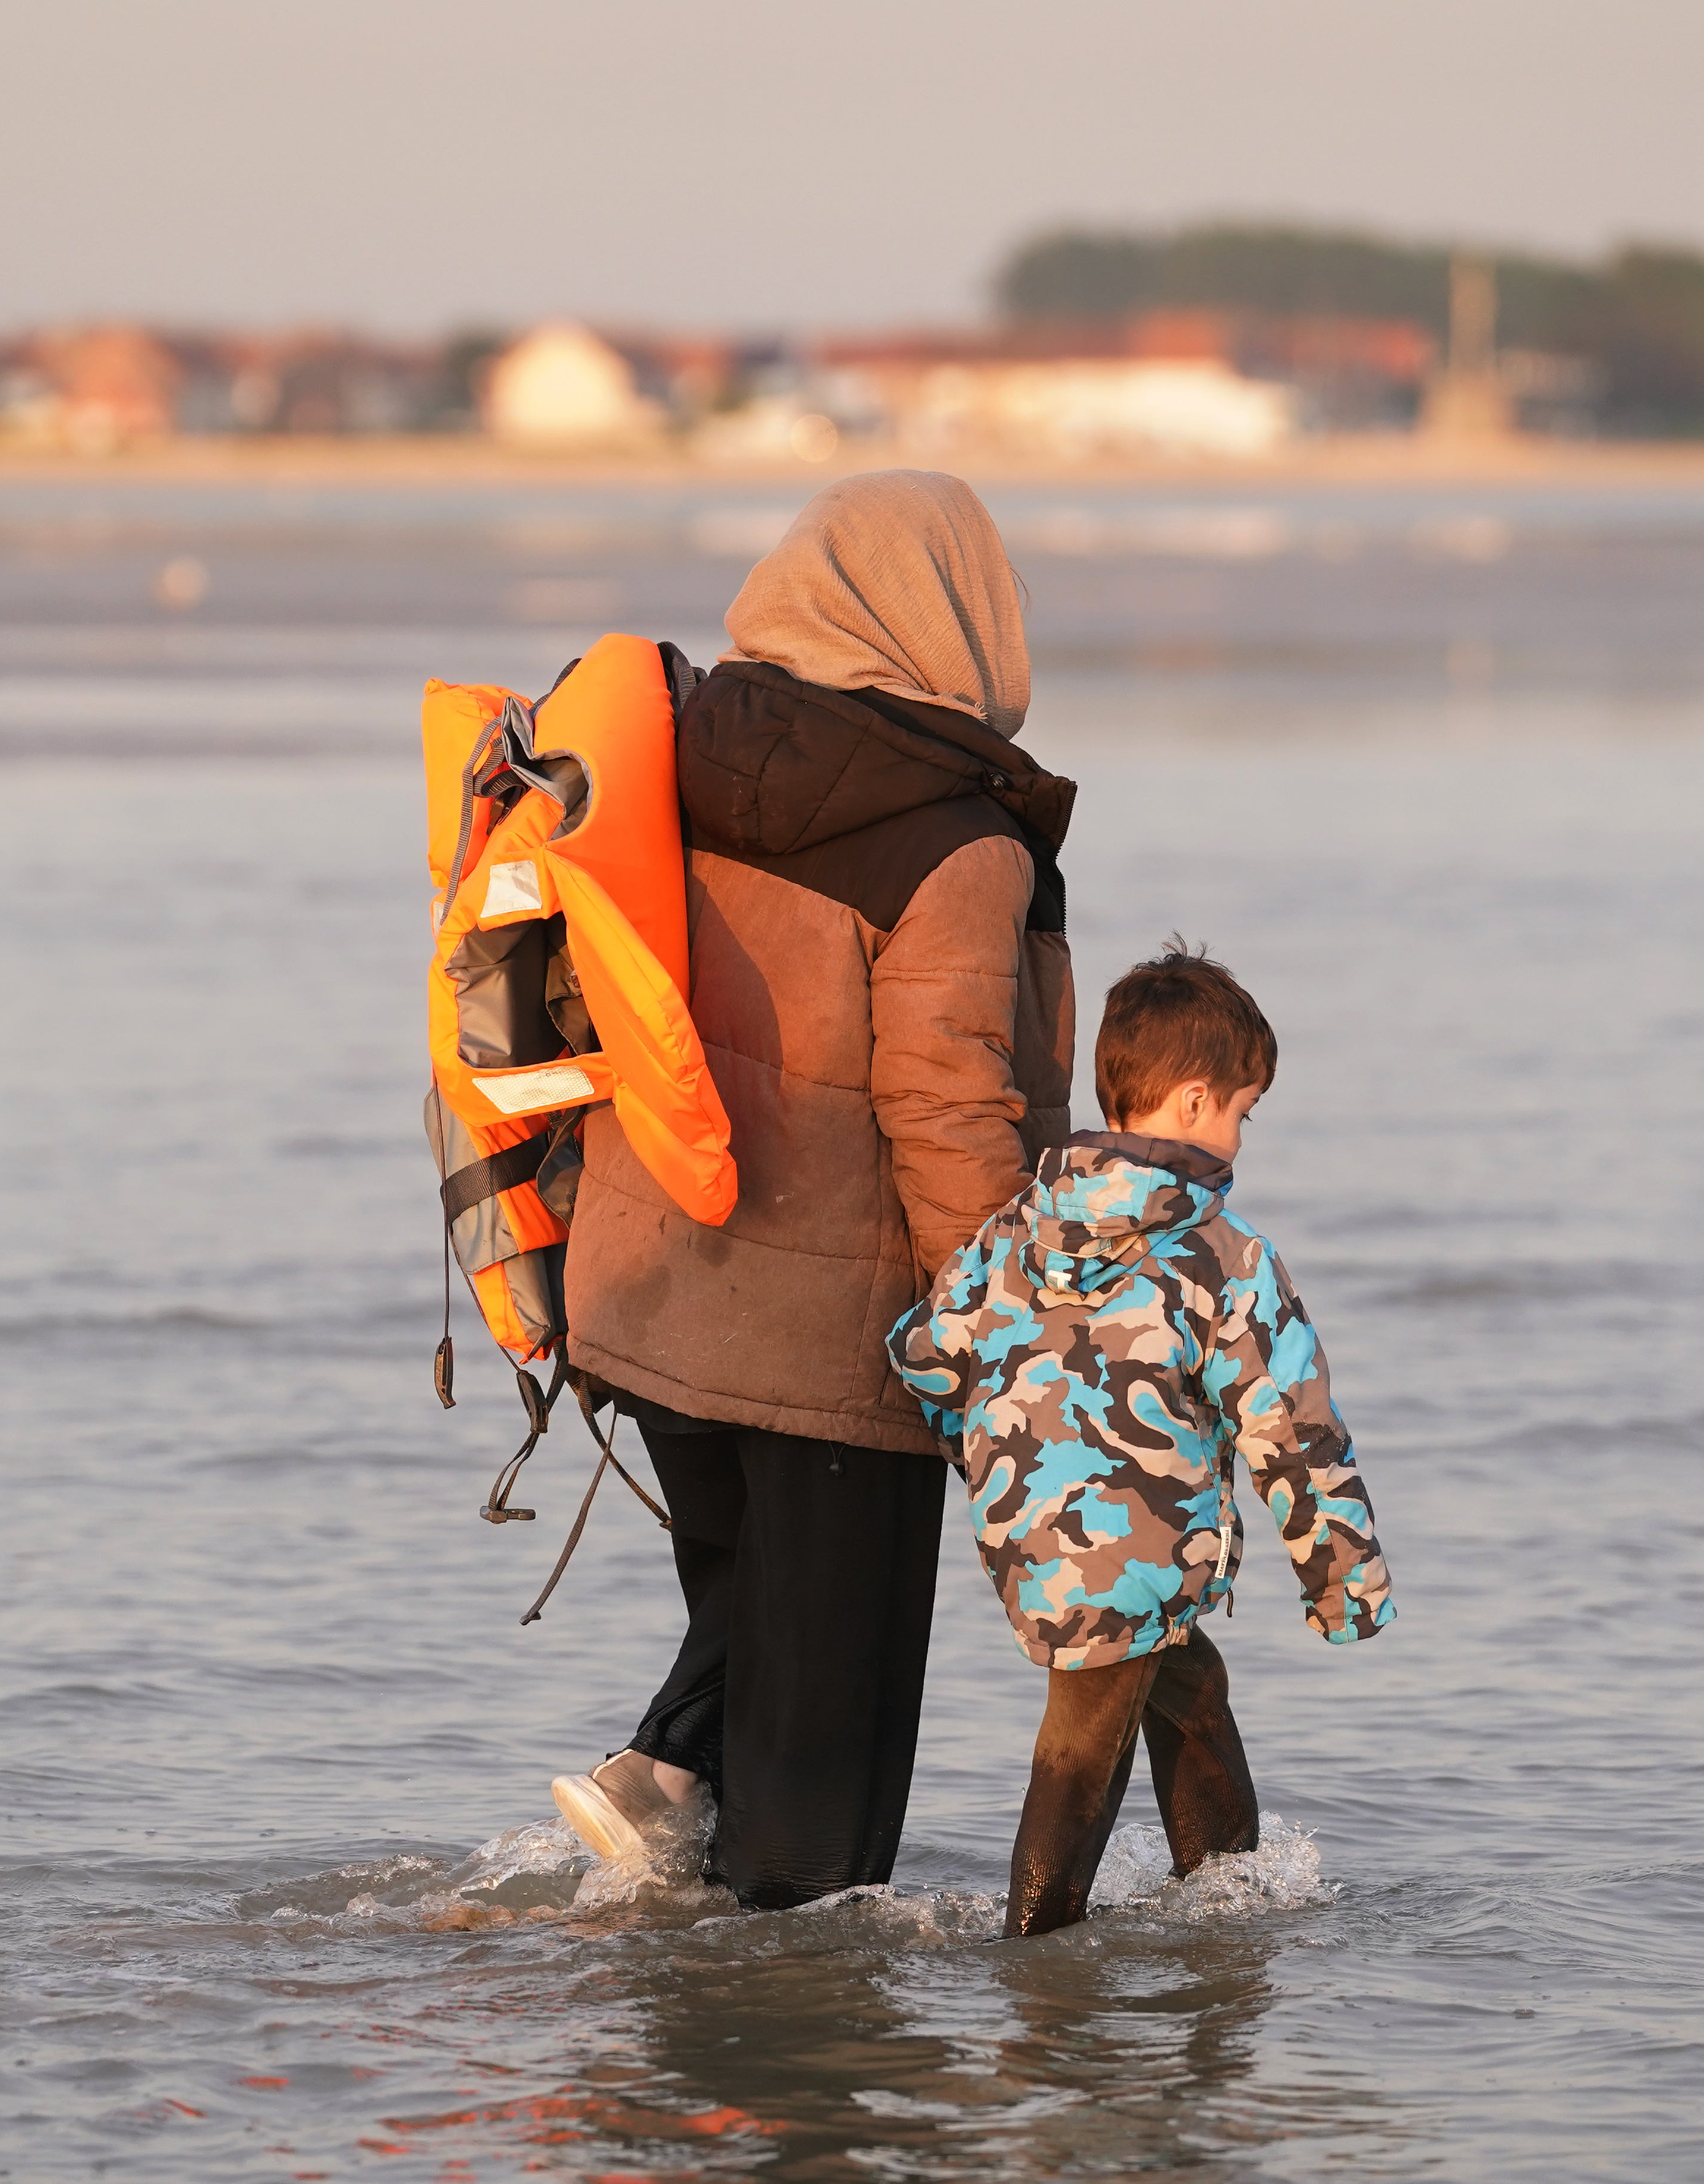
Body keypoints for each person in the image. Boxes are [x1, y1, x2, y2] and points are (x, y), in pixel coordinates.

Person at [543, 471, 1078, 1909]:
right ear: (956, 614)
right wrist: (1003, 1341)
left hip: (653, 1301)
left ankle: (662, 1853)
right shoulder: (958, 836)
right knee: (821, 1807)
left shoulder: (666, 754)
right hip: (844, 1345)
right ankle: (799, 2080)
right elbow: (950, 1106)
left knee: (752, 1648)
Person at [887, 944, 1393, 1937]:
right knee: (1079, 1749)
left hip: (1029, 1533)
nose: (1243, 1137)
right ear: (1196, 1103)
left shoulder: (1017, 1228)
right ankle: (1033, 1960)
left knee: (1188, 1686)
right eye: (1244, 1111)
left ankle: (1227, 1908)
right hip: (1140, 1544)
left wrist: (991, 1457)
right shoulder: (1224, 1255)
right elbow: (1291, 1432)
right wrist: (1343, 1580)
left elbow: (925, 1355)